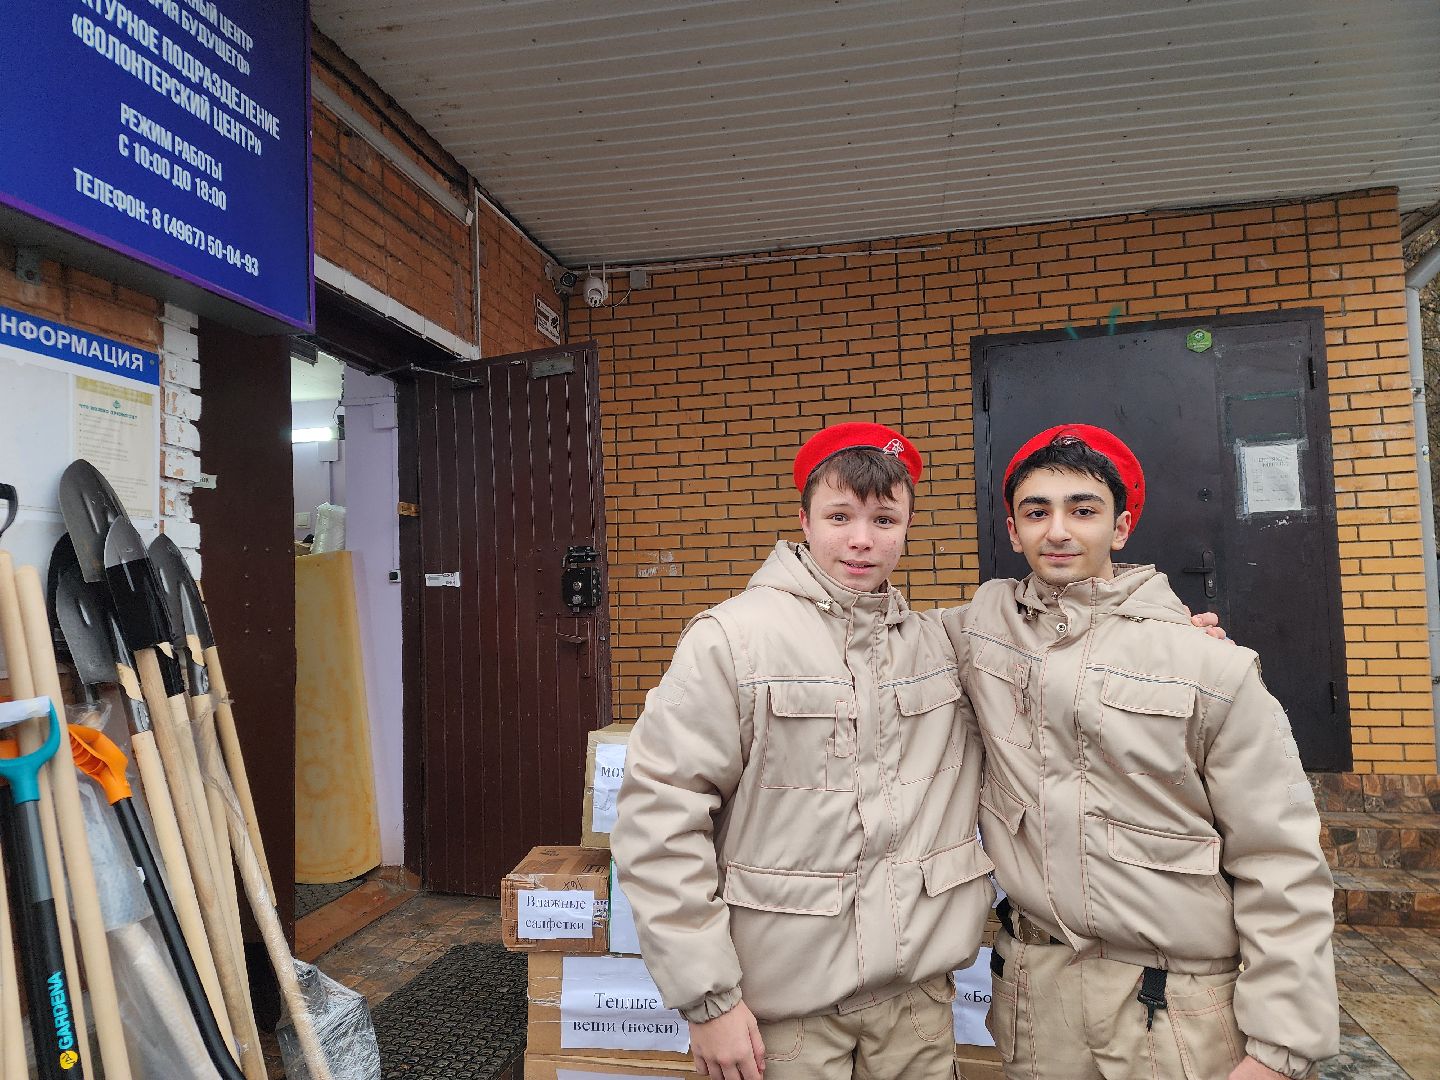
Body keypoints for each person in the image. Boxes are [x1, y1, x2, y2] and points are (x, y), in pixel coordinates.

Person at [946, 424, 1338, 1080]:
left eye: (1083, 509)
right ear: (1013, 533)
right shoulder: (980, 633)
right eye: (1036, 512)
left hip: (1172, 1012)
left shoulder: (1208, 664)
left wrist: (1281, 1045)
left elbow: (1279, 859)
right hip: (1037, 1006)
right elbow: (874, 636)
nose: (1059, 531)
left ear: (1121, 527)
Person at [613, 422, 995, 1080]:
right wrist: (709, 1001)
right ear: (804, 520)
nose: (861, 539)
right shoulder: (732, 641)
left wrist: (1173, 631)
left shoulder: (940, 646)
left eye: (884, 518)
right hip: (784, 1020)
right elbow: (658, 822)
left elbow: (1054, 637)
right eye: (840, 515)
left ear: (907, 527)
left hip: (915, 1010)